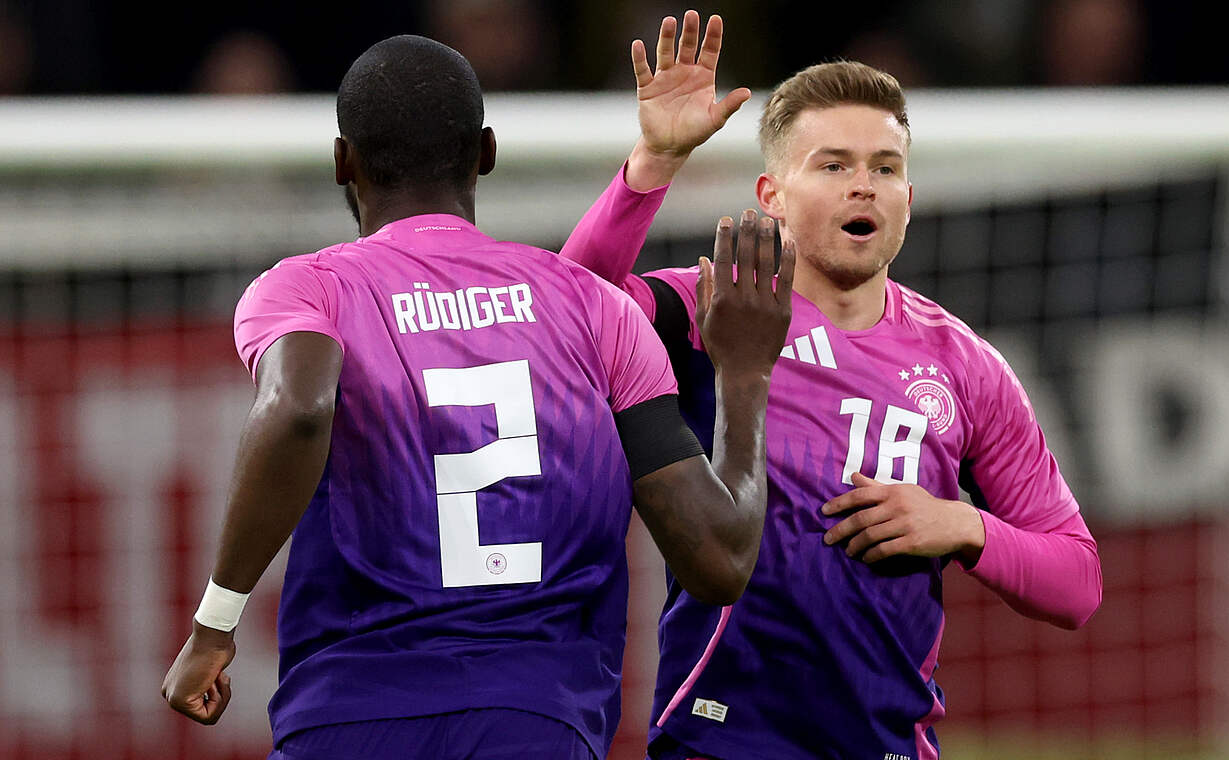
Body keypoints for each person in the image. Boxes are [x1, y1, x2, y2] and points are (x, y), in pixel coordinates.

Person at [160, 34, 794, 760]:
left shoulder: (310, 289)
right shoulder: (593, 310)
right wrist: (743, 376)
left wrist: (216, 623)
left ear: (344, 161)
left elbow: (299, 409)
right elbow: (718, 560)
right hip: (534, 721)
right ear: (486, 152)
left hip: (346, 717)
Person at [563, 11, 1103, 760]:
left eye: (885, 168)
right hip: (719, 739)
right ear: (772, 193)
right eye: (834, 165)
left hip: (885, 744)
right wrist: (653, 160)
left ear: (908, 199)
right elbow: (573, 309)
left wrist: (963, 526)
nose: (864, 187)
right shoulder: (716, 303)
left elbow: (1077, 583)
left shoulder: (966, 365)